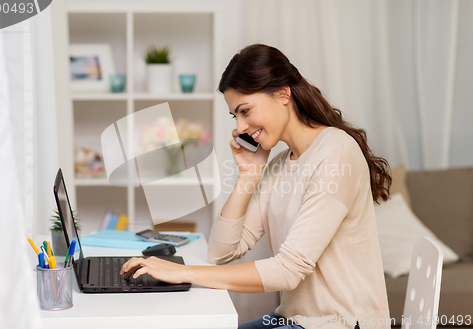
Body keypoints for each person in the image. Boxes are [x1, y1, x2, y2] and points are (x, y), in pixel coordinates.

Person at [120, 44, 392, 329]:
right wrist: (249, 174)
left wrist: (183, 272)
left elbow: (288, 270)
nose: (239, 127)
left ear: (283, 93)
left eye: (245, 111)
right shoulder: (279, 165)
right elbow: (222, 252)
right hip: (295, 320)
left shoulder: (335, 153)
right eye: (235, 116)